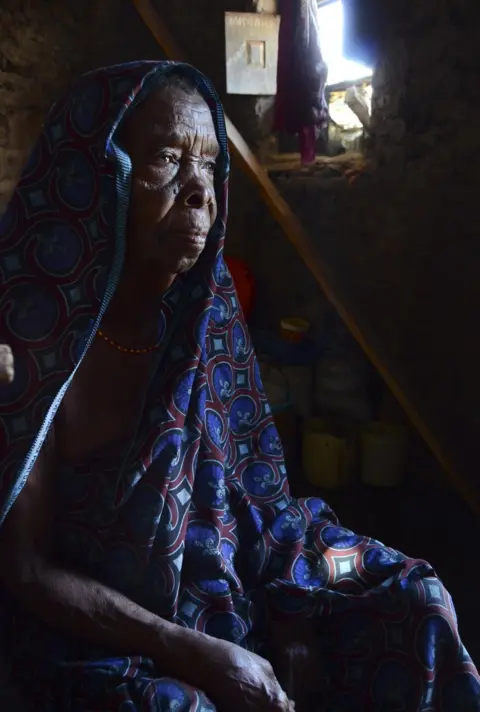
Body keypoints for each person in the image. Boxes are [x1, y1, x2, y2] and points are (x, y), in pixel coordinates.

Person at [0, 61, 478, 712]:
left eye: (209, 166)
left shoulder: (207, 309)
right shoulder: (33, 338)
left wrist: (291, 609)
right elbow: (25, 570)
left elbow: (259, 482)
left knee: (414, 599)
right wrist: (198, 652)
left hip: (257, 556)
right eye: (167, 159)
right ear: (95, 178)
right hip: (115, 618)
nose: (199, 191)